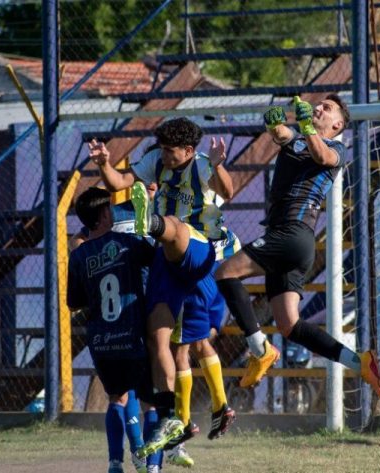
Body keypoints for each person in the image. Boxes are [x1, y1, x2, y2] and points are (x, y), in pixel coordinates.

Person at [213, 95, 380, 399]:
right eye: (317, 105)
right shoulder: (297, 140)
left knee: (225, 273)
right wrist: (274, 122)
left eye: (326, 108)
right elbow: (282, 135)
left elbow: (321, 156)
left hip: (293, 234)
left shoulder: (336, 148)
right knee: (289, 325)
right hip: (289, 240)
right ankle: (359, 362)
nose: (318, 107)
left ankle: (259, 349)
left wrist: (307, 125)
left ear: (337, 124)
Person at [89, 119, 236, 462]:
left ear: (188, 150)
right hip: (167, 261)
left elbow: (228, 192)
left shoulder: (201, 165)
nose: (165, 157)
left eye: (171, 151)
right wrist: (103, 163)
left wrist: (217, 163)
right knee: (160, 337)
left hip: (199, 251)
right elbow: (118, 183)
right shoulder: (155, 160)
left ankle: (151, 222)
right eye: (163, 150)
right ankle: (171, 416)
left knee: (177, 229)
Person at [67, 187, 163, 473]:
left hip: (102, 340)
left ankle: (114, 464)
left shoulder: (79, 255)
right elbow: (157, 260)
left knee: (116, 399)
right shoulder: (128, 242)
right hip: (132, 335)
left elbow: (74, 303)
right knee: (151, 404)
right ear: (106, 214)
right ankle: (152, 468)